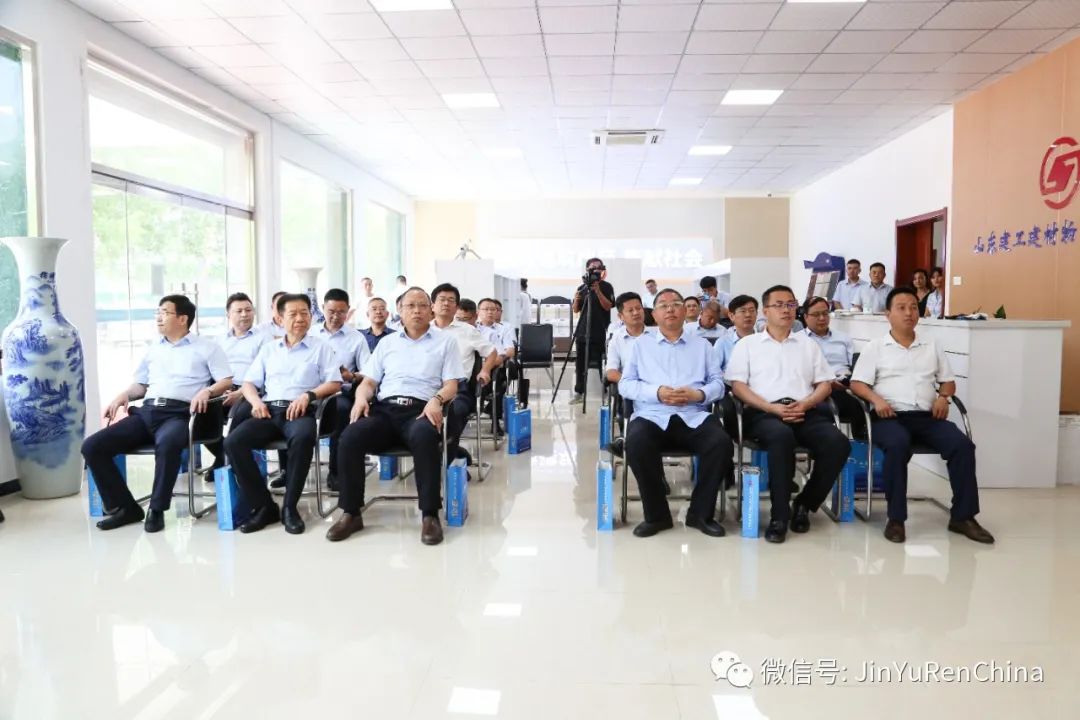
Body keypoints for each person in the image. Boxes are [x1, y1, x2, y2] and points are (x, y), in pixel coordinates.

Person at [850, 287, 994, 545]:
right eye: (901, 308)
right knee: (897, 444)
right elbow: (857, 383)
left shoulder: (932, 345)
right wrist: (877, 400)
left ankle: (963, 516)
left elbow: (948, 382)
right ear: (888, 314)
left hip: (927, 418)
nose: (909, 313)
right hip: (889, 417)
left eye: (913, 307)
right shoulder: (875, 347)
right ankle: (896, 519)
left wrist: (943, 397)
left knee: (962, 445)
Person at [82, 295, 233, 533]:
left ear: (182, 319)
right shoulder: (153, 347)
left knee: (168, 443)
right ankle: (124, 508)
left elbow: (226, 380)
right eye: (158, 312)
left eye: (165, 312)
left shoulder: (207, 347)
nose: (159, 317)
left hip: (180, 414)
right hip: (147, 412)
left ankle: (157, 508)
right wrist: (125, 394)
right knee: (92, 446)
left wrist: (207, 390)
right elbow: (141, 385)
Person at [327, 287, 464, 545]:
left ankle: (429, 514)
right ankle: (351, 512)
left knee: (425, 437)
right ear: (399, 311)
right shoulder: (387, 343)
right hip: (385, 411)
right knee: (350, 437)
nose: (416, 311)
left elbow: (451, 385)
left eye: (422, 305)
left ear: (431, 309)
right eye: (410, 306)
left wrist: (436, 401)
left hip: (421, 410)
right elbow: (369, 382)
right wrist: (360, 398)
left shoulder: (445, 342)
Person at [725, 284, 850, 544]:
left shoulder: (808, 345)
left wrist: (806, 404)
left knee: (838, 443)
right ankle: (779, 517)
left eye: (791, 304)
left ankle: (805, 503)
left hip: (804, 410)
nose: (786, 310)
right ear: (765, 311)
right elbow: (738, 386)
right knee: (781, 437)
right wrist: (770, 408)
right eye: (779, 305)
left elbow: (824, 384)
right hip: (763, 413)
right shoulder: (748, 345)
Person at [224, 294, 342, 534]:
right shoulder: (269, 349)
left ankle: (290, 506)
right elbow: (249, 383)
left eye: (304, 313)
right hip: (268, 410)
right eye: (293, 314)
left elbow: (334, 383)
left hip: (301, 411)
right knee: (233, 442)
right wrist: (255, 401)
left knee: (303, 437)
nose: (300, 319)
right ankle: (264, 506)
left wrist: (308, 395)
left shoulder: (321, 348)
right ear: (279, 319)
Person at [619, 288, 733, 538]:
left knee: (721, 443)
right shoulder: (640, 346)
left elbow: (718, 383)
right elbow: (625, 385)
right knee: (636, 442)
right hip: (652, 415)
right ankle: (657, 516)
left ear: (686, 311)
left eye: (676, 304)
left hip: (694, 414)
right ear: (654, 315)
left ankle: (700, 514)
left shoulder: (703, 346)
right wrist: (657, 392)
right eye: (663, 305)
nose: (670, 309)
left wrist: (698, 394)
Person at [430, 283, 498, 461]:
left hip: (458, 389)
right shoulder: (424, 330)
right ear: (432, 305)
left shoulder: (467, 330)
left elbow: (491, 352)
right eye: (442, 299)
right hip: (427, 387)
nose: (446, 303)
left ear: (456, 307)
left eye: (451, 300)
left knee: (456, 412)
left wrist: (485, 370)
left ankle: (447, 459)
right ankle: (446, 451)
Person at [314, 288, 372, 490]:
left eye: (341, 312)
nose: (335, 316)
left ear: (348, 311)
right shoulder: (310, 334)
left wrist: (351, 376)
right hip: (310, 391)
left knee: (341, 411)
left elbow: (368, 372)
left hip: (339, 393)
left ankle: (336, 472)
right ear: (323, 308)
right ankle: (287, 472)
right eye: (331, 311)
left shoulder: (356, 338)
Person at [206, 292, 269, 470]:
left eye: (248, 310)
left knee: (239, 416)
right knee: (199, 414)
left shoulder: (264, 338)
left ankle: (230, 461)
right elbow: (211, 369)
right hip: (222, 389)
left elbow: (267, 373)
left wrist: (240, 393)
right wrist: (219, 389)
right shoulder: (219, 340)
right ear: (228, 315)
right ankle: (224, 457)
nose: (244, 314)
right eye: (239, 311)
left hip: (252, 392)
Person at [802, 295, 865, 439]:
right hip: (814, 387)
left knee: (862, 398)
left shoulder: (843, 338)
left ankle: (861, 438)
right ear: (805, 317)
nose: (822, 318)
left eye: (825, 313)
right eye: (816, 315)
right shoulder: (799, 340)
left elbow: (854, 365)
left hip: (843, 384)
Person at [570, 258, 615, 404]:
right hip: (582, 332)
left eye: (598, 267)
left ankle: (605, 391)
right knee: (580, 364)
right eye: (592, 267)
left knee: (603, 362)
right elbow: (576, 309)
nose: (595, 269)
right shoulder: (582, 287)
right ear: (587, 269)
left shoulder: (607, 287)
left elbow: (608, 306)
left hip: (600, 331)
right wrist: (576, 299)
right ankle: (579, 392)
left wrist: (598, 291)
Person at [713, 294, 758, 372]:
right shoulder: (723, 343)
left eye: (752, 311)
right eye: (743, 311)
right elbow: (713, 372)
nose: (748, 315)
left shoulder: (764, 341)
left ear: (756, 314)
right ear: (731, 316)